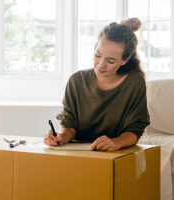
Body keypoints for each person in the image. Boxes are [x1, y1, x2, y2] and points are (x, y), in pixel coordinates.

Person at [44, 18, 150, 151]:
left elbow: (135, 129)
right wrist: (60, 137)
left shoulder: (134, 83)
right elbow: (70, 126)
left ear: (125, 60)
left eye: (111, 61)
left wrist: (116, 142)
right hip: (80, 154)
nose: (101, 65)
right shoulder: (76, 81)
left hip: (118, 154)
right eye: (97, 55)